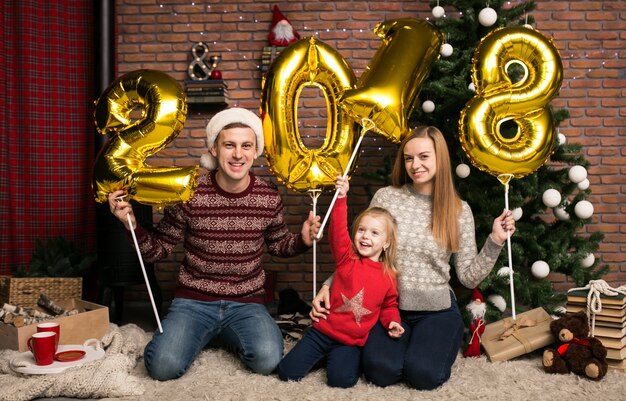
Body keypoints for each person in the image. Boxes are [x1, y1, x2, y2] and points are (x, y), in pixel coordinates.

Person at [108, 107, 320, 381]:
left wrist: (302, 240)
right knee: (163, 367)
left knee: (268, 360)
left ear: (256, 152)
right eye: (229, 145)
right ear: (214, 149)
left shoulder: (268, 196)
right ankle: (200, 333)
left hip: (247, 302)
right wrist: (131, 225)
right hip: (193, 302)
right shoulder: (190, 191)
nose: (237, 154)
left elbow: (279, 245)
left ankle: (215, 334)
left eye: (246, 146)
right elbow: (157, 250)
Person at [310, 125, 516, 390]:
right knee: (381, 372)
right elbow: (363, 254)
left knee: (423, 376)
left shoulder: (457, 210)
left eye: (424, 156)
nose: (415, 165)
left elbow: (467, 277)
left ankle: (432, 346)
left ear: (440, 158)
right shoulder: (387, 198)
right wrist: (328, 285)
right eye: (409, 158)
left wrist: (495, 241)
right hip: (388, 309)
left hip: (437, 311)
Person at [277, 174, 404, 388]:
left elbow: (389, 305)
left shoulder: (388, 276)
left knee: (342, 382)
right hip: (322, 332)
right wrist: (341, 197)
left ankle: (331, 359)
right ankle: (318, 355)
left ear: (386, 243)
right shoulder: (347, 258)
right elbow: (337, 230)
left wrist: (393, 322)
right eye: (362, 230)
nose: (365, 237)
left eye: (374, 233)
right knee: (286, 373)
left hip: (350, 343)